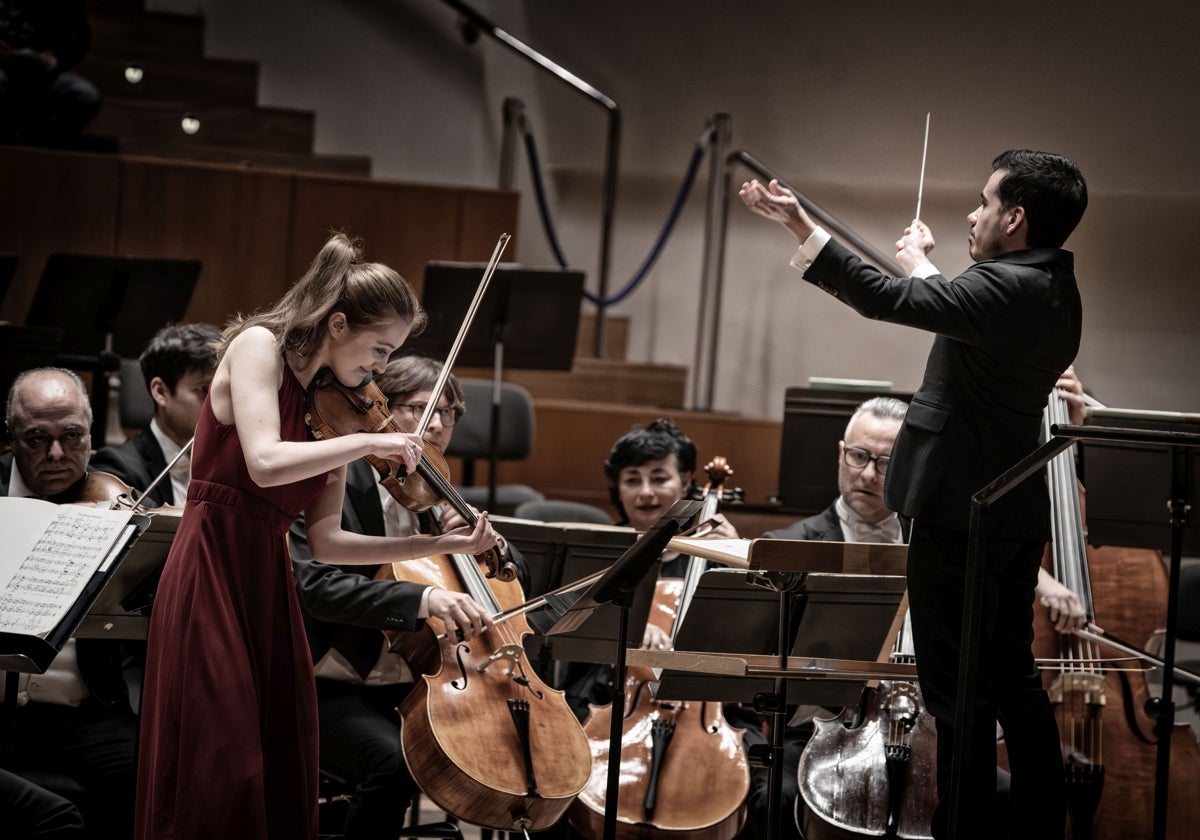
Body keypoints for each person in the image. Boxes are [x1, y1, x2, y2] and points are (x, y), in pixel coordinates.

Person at [741, 149, 1088, 839]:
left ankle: (961, 827)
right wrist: (925, 264)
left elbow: (890, 300)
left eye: (985, 202)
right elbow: (957, 307)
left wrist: (799, 226)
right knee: (1010, 679)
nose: (973, 212)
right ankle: (1043, 825)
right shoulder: (1047, 284)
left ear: (1014, 217)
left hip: (962, 514)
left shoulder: (1006, 288)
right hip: (1009, 508)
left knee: (956, 691)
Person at [134, 233, 502, 840]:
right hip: (211, 570)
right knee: (224, 766)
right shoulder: (258, 349)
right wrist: (368, 443)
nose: (381, 369)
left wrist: (440, 546)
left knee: (279, 766)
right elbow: (263, 462)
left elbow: (328, 544)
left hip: (268, 584)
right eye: (380, 349)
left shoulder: (328, 407)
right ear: (336, 324)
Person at [288, 354, 520, 840]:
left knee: (512, 742)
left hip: (416, 686)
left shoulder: (437, 497)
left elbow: (512, 580)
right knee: (393, 763)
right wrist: (421, 599)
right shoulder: (335, 481)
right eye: (420, 408)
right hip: (331, 684)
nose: (436, 425)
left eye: (449, 412)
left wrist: (494, 547)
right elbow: (313, 585)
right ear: (381, 411)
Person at [1, 367, 139, 839]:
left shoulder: (116, 500)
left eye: (73, 436)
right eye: (37, 438)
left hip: (83, 708)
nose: (57, 455)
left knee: (145, 781)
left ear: (91, 431)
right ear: (11, 437)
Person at [90, 322, 221, 508]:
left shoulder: (236, 463)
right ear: (160, 392)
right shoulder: (117, 469)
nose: (220, 402)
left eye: (224, 389)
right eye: (204, 389)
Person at [0, 0, 100, 146]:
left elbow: (81, 38)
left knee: (85, 94)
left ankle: (44, 145)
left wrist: (56, 58)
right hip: (3, 70)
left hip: (44, 75)